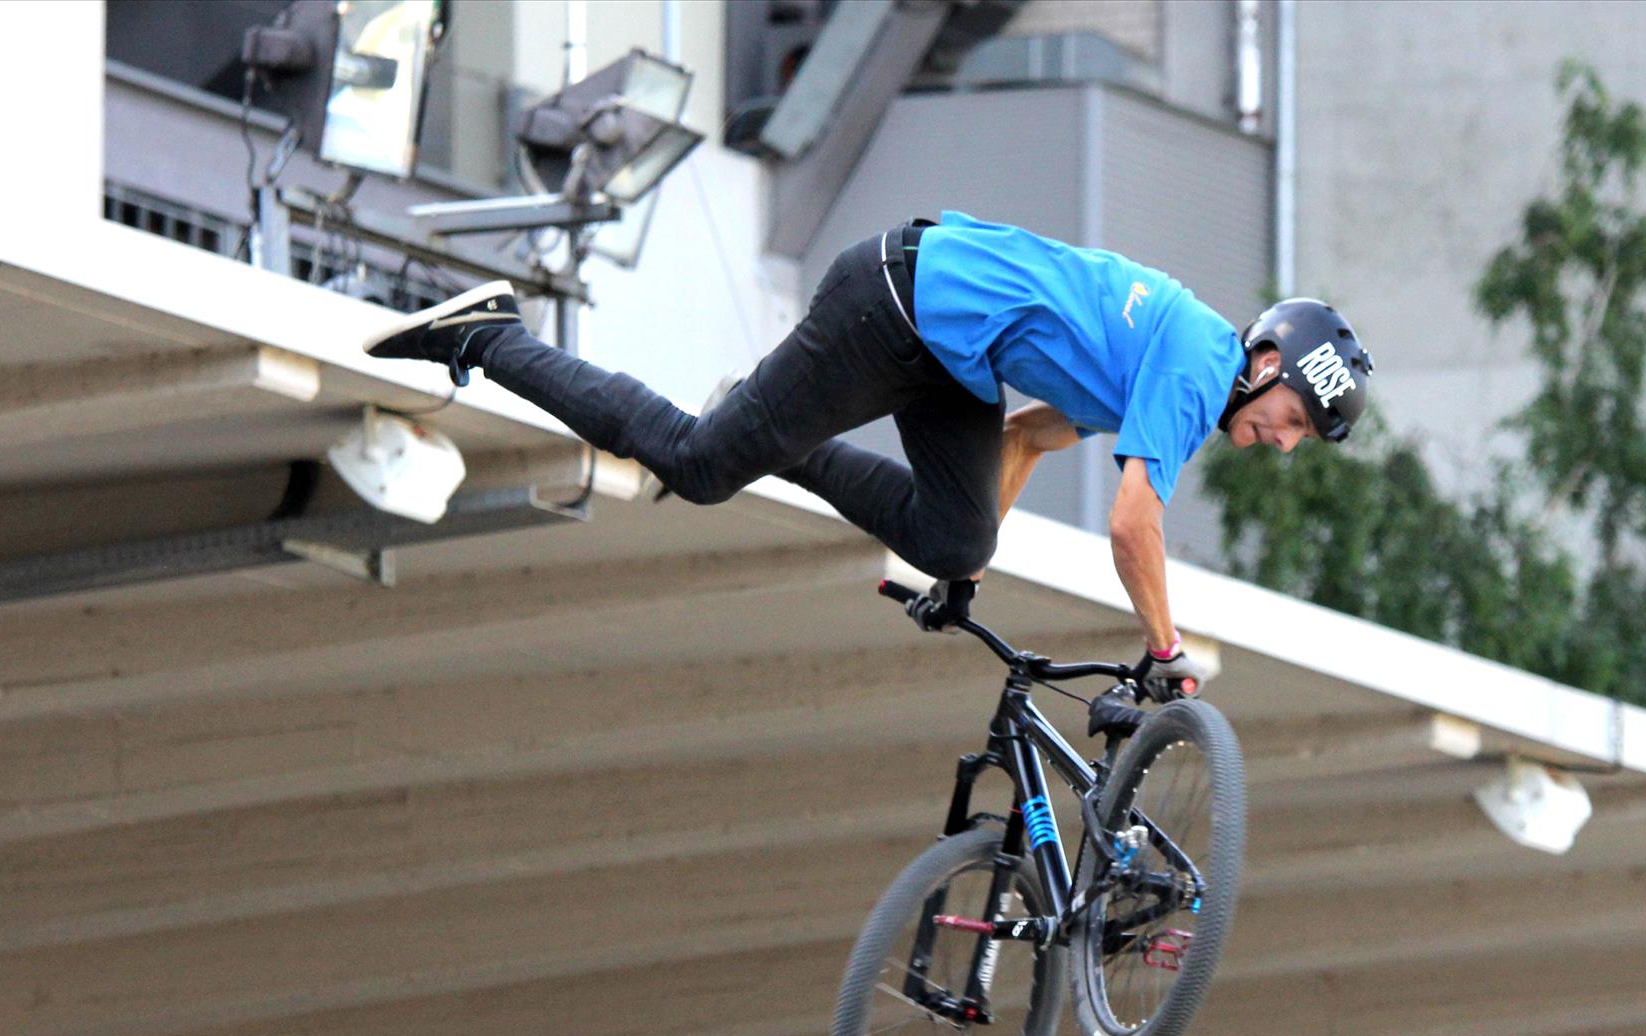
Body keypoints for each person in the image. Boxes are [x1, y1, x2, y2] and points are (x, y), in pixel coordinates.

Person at [363, 211, 1373, 699]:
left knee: (956, 536)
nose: (1285, 443)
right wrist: (1165, 650)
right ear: (1267, 364)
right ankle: (488, 335)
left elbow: (1026, 435)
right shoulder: (1196, 368)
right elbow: (1132, 526)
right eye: (1294, 418)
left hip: (952, 361)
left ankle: (770, 434)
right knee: (698, 464)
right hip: (893, 309)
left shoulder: (1179, 372)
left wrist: (960, 570)